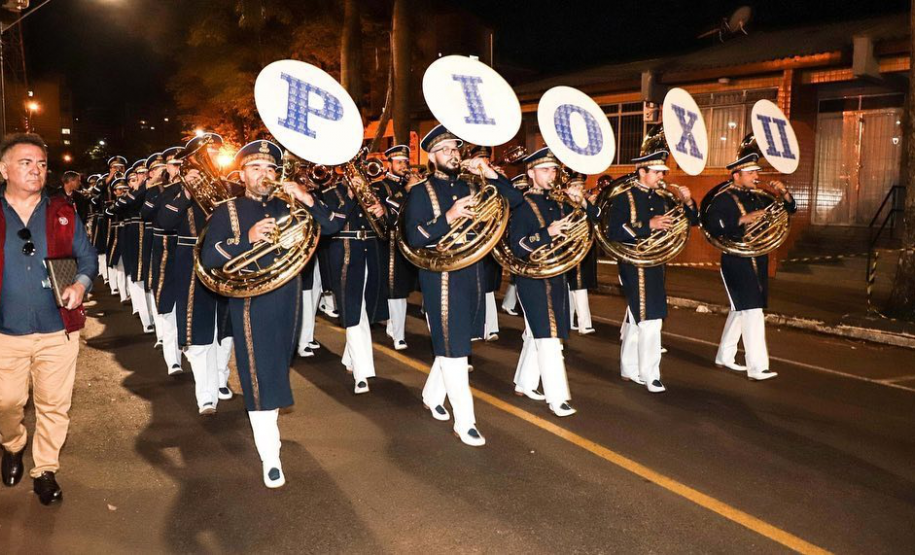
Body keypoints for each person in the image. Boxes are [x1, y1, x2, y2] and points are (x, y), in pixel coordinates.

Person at [199, 139, 335, 488]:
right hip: (249, 301)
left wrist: (306, 197)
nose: (264, 174)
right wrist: (247, 238)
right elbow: (210, 258)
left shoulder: (289, 205)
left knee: (276, 368)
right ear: (242, 173)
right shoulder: (227, 209)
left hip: (288, 296)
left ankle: (268, 428)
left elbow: (332, 227)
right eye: (256, 168)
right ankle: (270, 454)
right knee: (256, 373)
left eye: (270, 168)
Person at [404, 124, 523, 446]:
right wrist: (450, 216)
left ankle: (431, 395)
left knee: (454, 342)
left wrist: (489, 170)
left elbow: (515, 199)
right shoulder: (419, 192)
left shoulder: (474, 184)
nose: (453, 155)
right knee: (456, 351)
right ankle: (466, 421)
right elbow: (414, 237)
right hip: (440, 277)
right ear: (431, 157)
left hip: (473, 273)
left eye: (455, 149)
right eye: (445, 150)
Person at [0, 133, 98, 505]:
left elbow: (87, 258)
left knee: (54, 405)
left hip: (58, 329)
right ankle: (11, 444)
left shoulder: (63, 211)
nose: (35, 170)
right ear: (3, 168)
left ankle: (45, 470)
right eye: (25, 162)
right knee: (6, 403)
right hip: (5, 332)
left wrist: (81, 284)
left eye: (41, 163)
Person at [509, 149, 600, 417]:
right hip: (533, 277)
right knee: (549, 337)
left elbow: (594, 222)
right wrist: (546, 233)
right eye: (545, 169)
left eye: (553, 169)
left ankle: (524, 383)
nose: (551, 174)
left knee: (541, 333)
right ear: (531, 173)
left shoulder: (562, 203)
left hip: (558, 275)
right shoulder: (521, 204)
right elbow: (517, 246)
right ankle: (557, 397)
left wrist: (582, 203)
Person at [607, 140, 697, 393]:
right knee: (651, 319)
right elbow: (614, 231)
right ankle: (650, 374)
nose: (662, 176)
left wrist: (687, 201)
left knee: (639, 317)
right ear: (642, 172)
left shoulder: (664, 197)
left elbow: (693, 221)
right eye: (657, 172)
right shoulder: (623, 198)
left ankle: (628, 367)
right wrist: (649, 225)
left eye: (663, 172)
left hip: (656, 263)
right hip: (634, 263)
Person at [705, 144, 795, 381]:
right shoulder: (722, 199)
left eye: (757, 172)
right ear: (737, 175)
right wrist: (742, 219)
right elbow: (713, 226)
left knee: (742, 310)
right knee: (753, 311)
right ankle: (757, 367)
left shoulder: (758, 197)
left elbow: (788, 211)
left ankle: (725, 355)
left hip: (758, 258)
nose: (757, 177)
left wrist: (784, 195)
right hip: (736, 260)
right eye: (752, 172)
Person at [159, 133, 233, 415]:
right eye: (207, 152)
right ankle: (206, 394)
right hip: (192, 262)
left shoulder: (232, 188)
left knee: (226, 328)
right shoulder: (174, 190)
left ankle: (221, 378)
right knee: (200, 329)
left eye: (215, 151)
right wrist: (187, 194)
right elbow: (164, 222)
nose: (213, 156)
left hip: (226, 262)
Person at [316, 162, 390, 394]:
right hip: (345, 257)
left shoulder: (375, 192)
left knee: (365, 310)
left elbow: (390, 226)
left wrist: (383, 212)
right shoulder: (329, 193)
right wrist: (349, 196)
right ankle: (362, 373)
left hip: (372, 255)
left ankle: (350, 359)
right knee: (353, 311)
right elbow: (330, 224)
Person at [379, 144, 418, 351]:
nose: (404, 165)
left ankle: (395, 327)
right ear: (389, 164)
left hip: (408, 242)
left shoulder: (412, 184)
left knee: (401, 290)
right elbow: (386, 211)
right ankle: (399, 335)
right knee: (396, 290)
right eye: (399, 162)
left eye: (405, 162)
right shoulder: (381, 185)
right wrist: (408, 189)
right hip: (389, 243)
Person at [500, 173, 529, 317]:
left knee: (519, 275)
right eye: (521, 187)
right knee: (517, 273)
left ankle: (509, 303)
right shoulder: (513, 201)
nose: (523, 189)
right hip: (515, 239)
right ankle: (510, 303)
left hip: (525, 238)